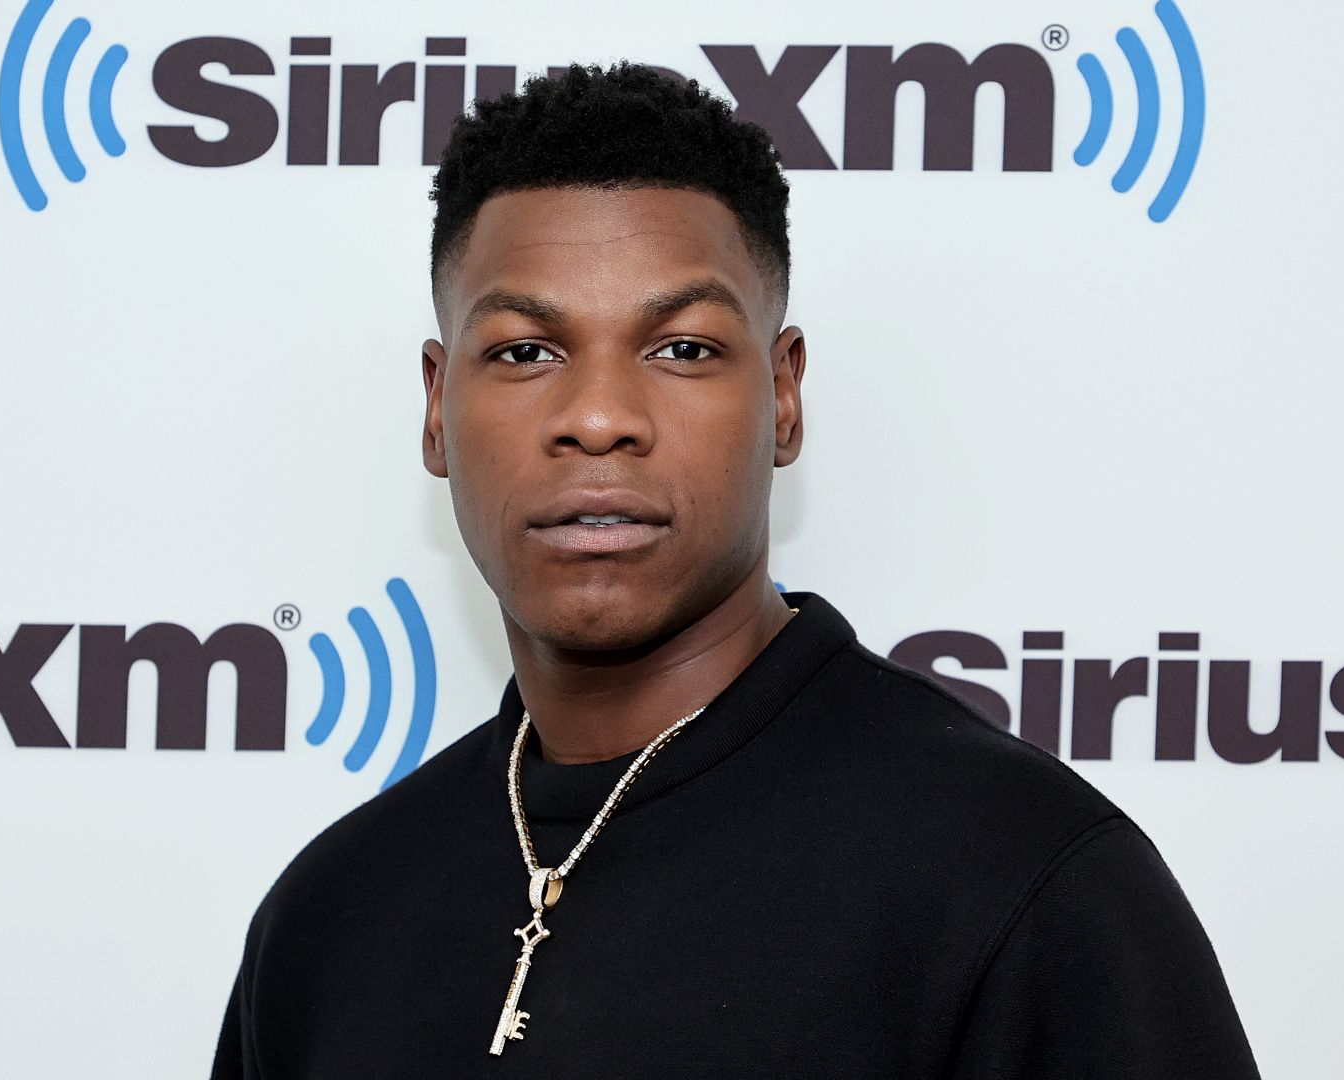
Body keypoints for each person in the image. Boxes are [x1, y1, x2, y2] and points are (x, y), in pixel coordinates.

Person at [210, 62, 1261, 1078]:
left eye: (683, 349)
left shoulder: (1022, 881)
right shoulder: (329, 916)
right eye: (526, 351)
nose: (599, 419)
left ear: (784, 396)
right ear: (438, 407)